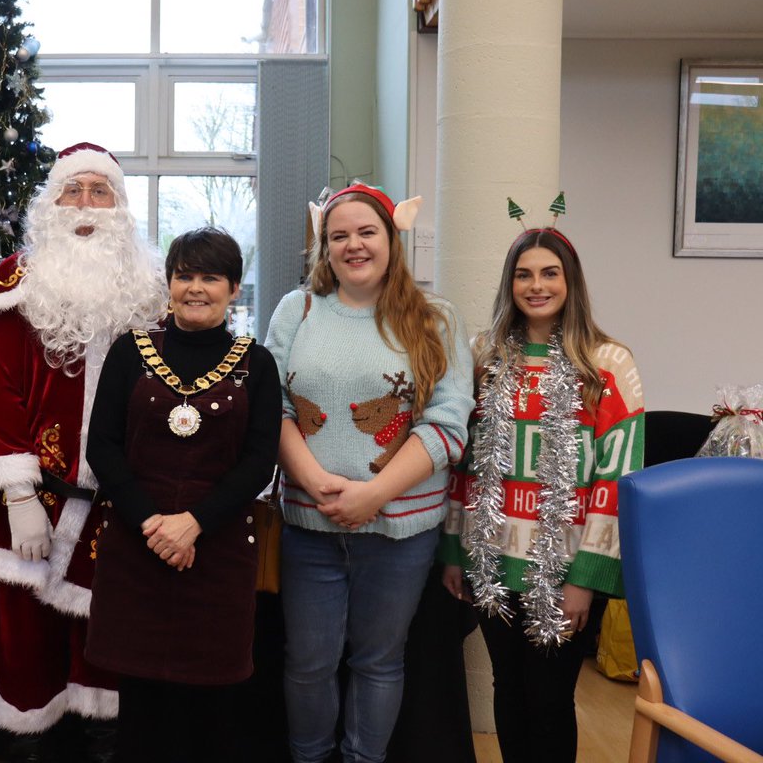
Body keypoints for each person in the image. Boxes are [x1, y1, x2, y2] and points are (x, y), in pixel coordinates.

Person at [0, 142, 168, 760]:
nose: (85, 205)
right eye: (71, 191)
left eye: (99, 191)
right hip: (32, 499)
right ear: (49, 205)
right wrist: (19, 493)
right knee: (27, 648)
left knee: (106, 653)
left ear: (120, 204)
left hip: (119, 507)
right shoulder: (11, 284)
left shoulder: (150, 286)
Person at [264, 183, 474, 763]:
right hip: (310, 524)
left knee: (379, 662)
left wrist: (374, 494)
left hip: (402, 531)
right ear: (323, 247)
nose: (353, 246)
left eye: (366, 233)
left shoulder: (437, 319)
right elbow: (271, 407)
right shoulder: (296, 310)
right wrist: (310, 478)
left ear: (391, 239)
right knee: (307, 664)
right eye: (338, 236)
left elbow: (448, 422)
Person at [440, 209, 644, 763]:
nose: (537, 286)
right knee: (508, 688)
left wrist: (587, 578)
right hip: (492, 561)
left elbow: (617, 480)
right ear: (510, 283)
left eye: (550, 273)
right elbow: (466, 468)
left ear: (570, 282)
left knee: (551, 698)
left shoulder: (607, 364)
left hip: (564, 568)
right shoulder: (484, 355)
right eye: (524, 274)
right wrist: (457, 550)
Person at [84, 227, 282, 762]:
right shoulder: (130, 352)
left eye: (211, 277)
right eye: (184, 275)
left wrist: (193, 523)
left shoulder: (257, 364)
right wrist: (153, 523)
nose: (196, 288)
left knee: (212, 705)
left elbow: (260, 462)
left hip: (217, 549)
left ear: (234, 288)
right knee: (141, 701)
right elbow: (102, 447)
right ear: (169, 283)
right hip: (136, 543)